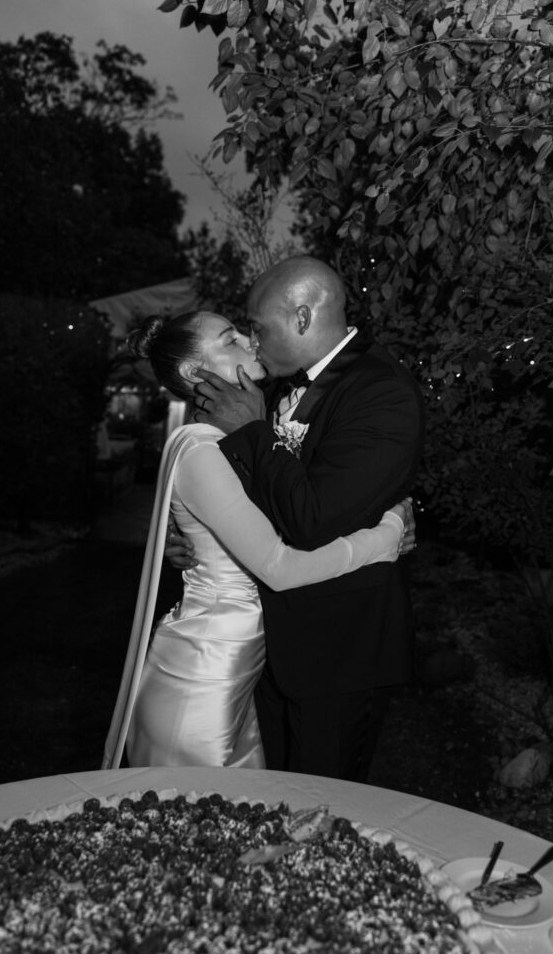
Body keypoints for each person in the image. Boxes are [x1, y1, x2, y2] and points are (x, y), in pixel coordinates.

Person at [102, 309, 411, 771]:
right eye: (231, 339)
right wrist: (385, 535)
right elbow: (278, 567)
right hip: (203, 676)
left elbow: (299, 502)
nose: (250, 341)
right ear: (194, 372)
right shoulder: (202, 450)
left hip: (241, 673)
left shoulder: (240, 431)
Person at [179, 255, 425, 782]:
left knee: (322, 806)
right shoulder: (269, 387)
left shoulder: (381, 391)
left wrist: (255, 432)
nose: (252, 341)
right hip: (261, 647)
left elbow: (312, 520)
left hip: (337, 652)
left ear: (303, 317)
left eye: (257, 327)